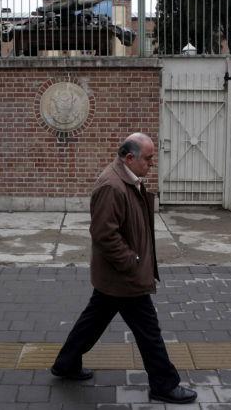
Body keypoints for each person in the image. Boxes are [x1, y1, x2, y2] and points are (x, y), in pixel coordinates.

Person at [51, 133, 197, 405]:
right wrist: (132, 262)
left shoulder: (127, 179)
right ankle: (164, 384)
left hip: (116, 276)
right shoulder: (112, 185)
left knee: (93, 320)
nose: (152, 164)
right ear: (130, 158)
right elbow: (104, 234)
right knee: (149, 331)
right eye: (149, 159)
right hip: (124, 276)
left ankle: (66, 363)